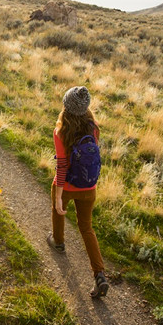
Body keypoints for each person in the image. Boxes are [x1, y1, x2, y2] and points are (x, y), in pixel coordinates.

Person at [47, 85, 109, 298]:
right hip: (89, 186)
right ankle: (99, 273)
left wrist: (58, 197)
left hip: (69, 186)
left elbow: (62, 165)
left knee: (58, 210)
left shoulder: (60, 131)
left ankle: (58, 241)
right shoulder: (94, 127)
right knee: (87, 228)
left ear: (66, 106)